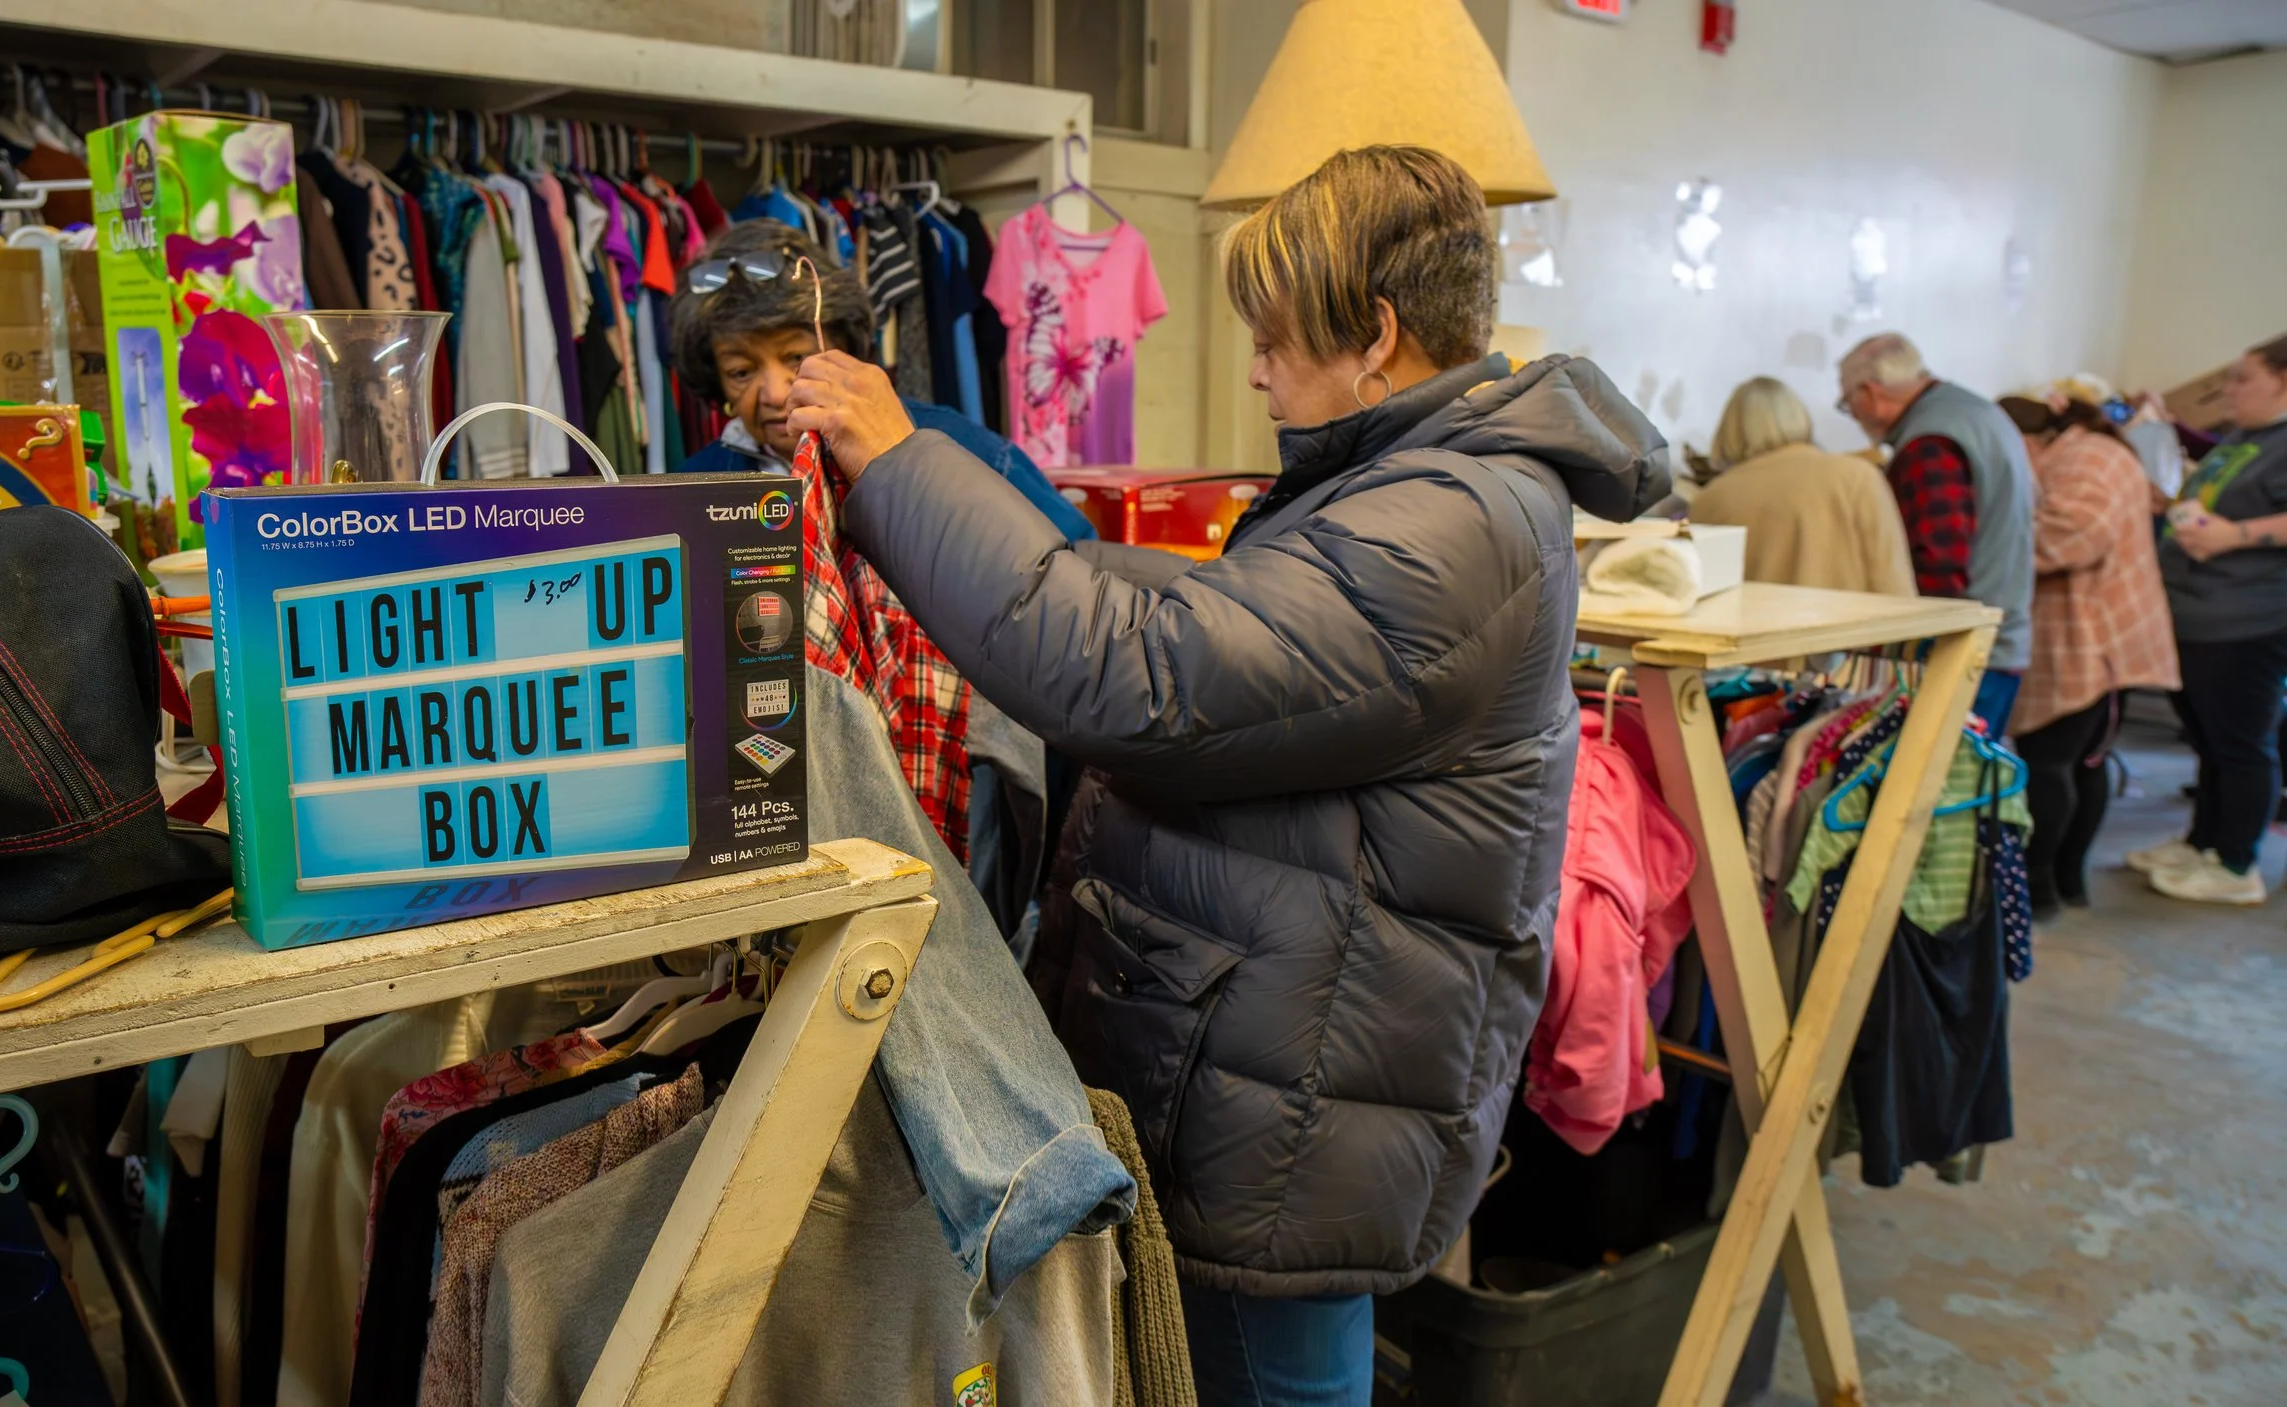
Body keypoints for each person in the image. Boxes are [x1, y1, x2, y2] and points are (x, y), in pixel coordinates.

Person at [780, 145, 1670, 1406]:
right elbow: (1224, 625)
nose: (1252, 366)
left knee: (1263, 1379)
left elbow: (1144, 676)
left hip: (1294, 1114)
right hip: (1280, 1062)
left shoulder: (1445, 522)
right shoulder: (1418, 485)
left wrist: (904, 461)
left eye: (1274, 335)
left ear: (1372, 332)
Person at [669, 219, 1094, 543]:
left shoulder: (955, 447)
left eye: (796, 358)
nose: (777, 394)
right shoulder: (695, 486)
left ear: (842, 345)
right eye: (741, 372)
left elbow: (1070, 561)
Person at [1996, 395, 2178, 920]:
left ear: (2025, 441)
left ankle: (2040, 889)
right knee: (2083, 761)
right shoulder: (2096, 451)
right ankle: (2068, 879)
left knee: (2050, 763)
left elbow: (2071, 536)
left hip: (2087, 636)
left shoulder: (2083, 459)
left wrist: (1989, 544)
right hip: (2109, 633)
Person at [2128, 334, 2287, 905]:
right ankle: (2205, 843)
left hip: (2246, 621)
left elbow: (2241, 525)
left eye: (2244, 378)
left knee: (2241, 744)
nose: (2228, 388)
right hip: (2196, 613)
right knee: (2210, 741)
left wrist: (2235, 537)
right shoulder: (2247, 437)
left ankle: (2238, 863)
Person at [1838, 333, 2036, 736]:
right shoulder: (1974, 412)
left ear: (1870, 393)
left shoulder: (1931, 443)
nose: (1853, 415)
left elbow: (1939, 568)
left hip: (1965, 655)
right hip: (1997, 638)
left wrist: (1911, 654)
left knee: (1935, 789)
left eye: (1847, 403)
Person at [1688, 376, 1916, 595]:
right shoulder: (1856, 477)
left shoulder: (1712, 499)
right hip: (1852, 634)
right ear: (1799, 416)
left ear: (1730, 431)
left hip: (1759, 633)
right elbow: (1893, 584)